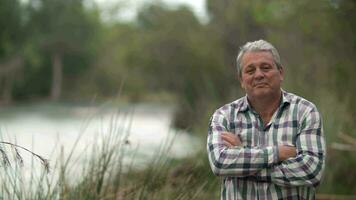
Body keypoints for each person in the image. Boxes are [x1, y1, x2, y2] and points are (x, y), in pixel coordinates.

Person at [207, 40, 326, 200]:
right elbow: (220, 163)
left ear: (281, 73)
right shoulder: (224, 116)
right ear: (241, 80)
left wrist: (242, 157)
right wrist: (278, 153)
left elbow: (311, 171)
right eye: (250, 70)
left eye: (266, 68)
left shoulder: (305, 112)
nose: (258, 75)